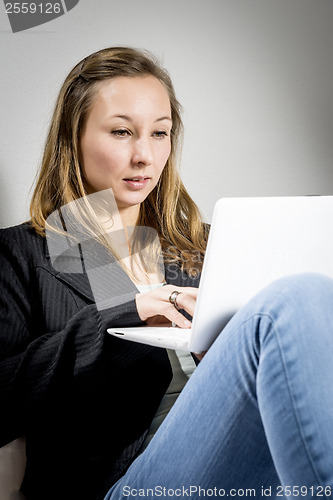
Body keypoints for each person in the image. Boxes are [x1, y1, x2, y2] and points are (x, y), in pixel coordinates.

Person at [0, 47, 332, 500]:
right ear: (72, 136)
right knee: (295, 299)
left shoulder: (204, 244)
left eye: (160, 133)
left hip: (243, 469)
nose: (144, 156)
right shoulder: (27, 251)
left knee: (309, 297)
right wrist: (126, 314)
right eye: (121, 132)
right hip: (117, 486)